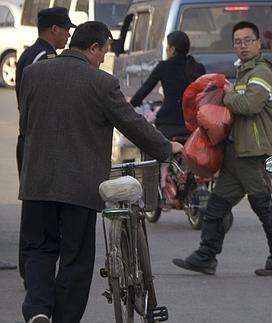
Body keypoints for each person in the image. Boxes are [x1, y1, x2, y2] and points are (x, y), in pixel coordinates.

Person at [18, 21, 183, 323]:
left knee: (38, 250)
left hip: (37, 182)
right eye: (103, 52)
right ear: (94, 47)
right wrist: (166, 148)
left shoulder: (32, 74)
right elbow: (132, 123)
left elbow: (26, 122)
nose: (102, 59)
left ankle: (39, 310)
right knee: (75, 259)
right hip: (79, 188)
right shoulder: (101, 83)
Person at [173, 21, 272, 277]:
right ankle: (205, 256)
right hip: (237, 152)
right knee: (216, 206)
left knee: (264, 207)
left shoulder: (261, 72)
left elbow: (250, 105)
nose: (242, 46)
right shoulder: (244, 71)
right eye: (238, 42)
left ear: (258, 43)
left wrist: (226, 95)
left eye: (247, 40)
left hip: (252, 152)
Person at [14, 6, 76, 283]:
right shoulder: (43, 56)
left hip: (32, 139)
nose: (68, 36)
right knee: (36, 215)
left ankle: (31, 269)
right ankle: (32, 271)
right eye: (66, 30)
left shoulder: (33, 53)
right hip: (36, 140)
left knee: (34, 210)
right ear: (54, 29)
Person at [129, 30, 206, 140]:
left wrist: (132, 103)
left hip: (168, 124)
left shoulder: (164, 66)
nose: (166, 50)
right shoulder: (197, 67)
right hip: (192, 125)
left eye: (167, 47)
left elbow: (146, 88)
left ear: (172, 49)